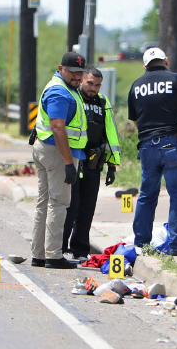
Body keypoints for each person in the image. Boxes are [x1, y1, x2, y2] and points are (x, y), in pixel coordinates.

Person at [127, 48, 177, 256]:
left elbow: (137, 122)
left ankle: (141, 244)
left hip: (146, 145)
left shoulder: (136, 86)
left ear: (144, 66)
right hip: (173, 143)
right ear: (165, 61)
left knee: (147, 196)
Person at [30, 52, 88, 269]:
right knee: (59, 203)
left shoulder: (64, 87)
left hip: (47, 149)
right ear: (61, 68)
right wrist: (67, 163)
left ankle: (40, 254)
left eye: (80, 73)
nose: (77, 76)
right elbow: (57, 126)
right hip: (57, 152)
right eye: (73, 72)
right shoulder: (60, 92)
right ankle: (53, 255)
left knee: (44, 202)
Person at [62, 67, 121, 260]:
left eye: (97, 85)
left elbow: (110, 134)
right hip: (73, 158)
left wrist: (111, 166)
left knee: (87, 208)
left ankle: (80, 250)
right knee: (70, 206)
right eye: (89, 83)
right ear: (81, 80)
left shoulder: (103, 103)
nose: (92, 88)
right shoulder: (73, 98)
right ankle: (59, 248)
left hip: (94, 163)